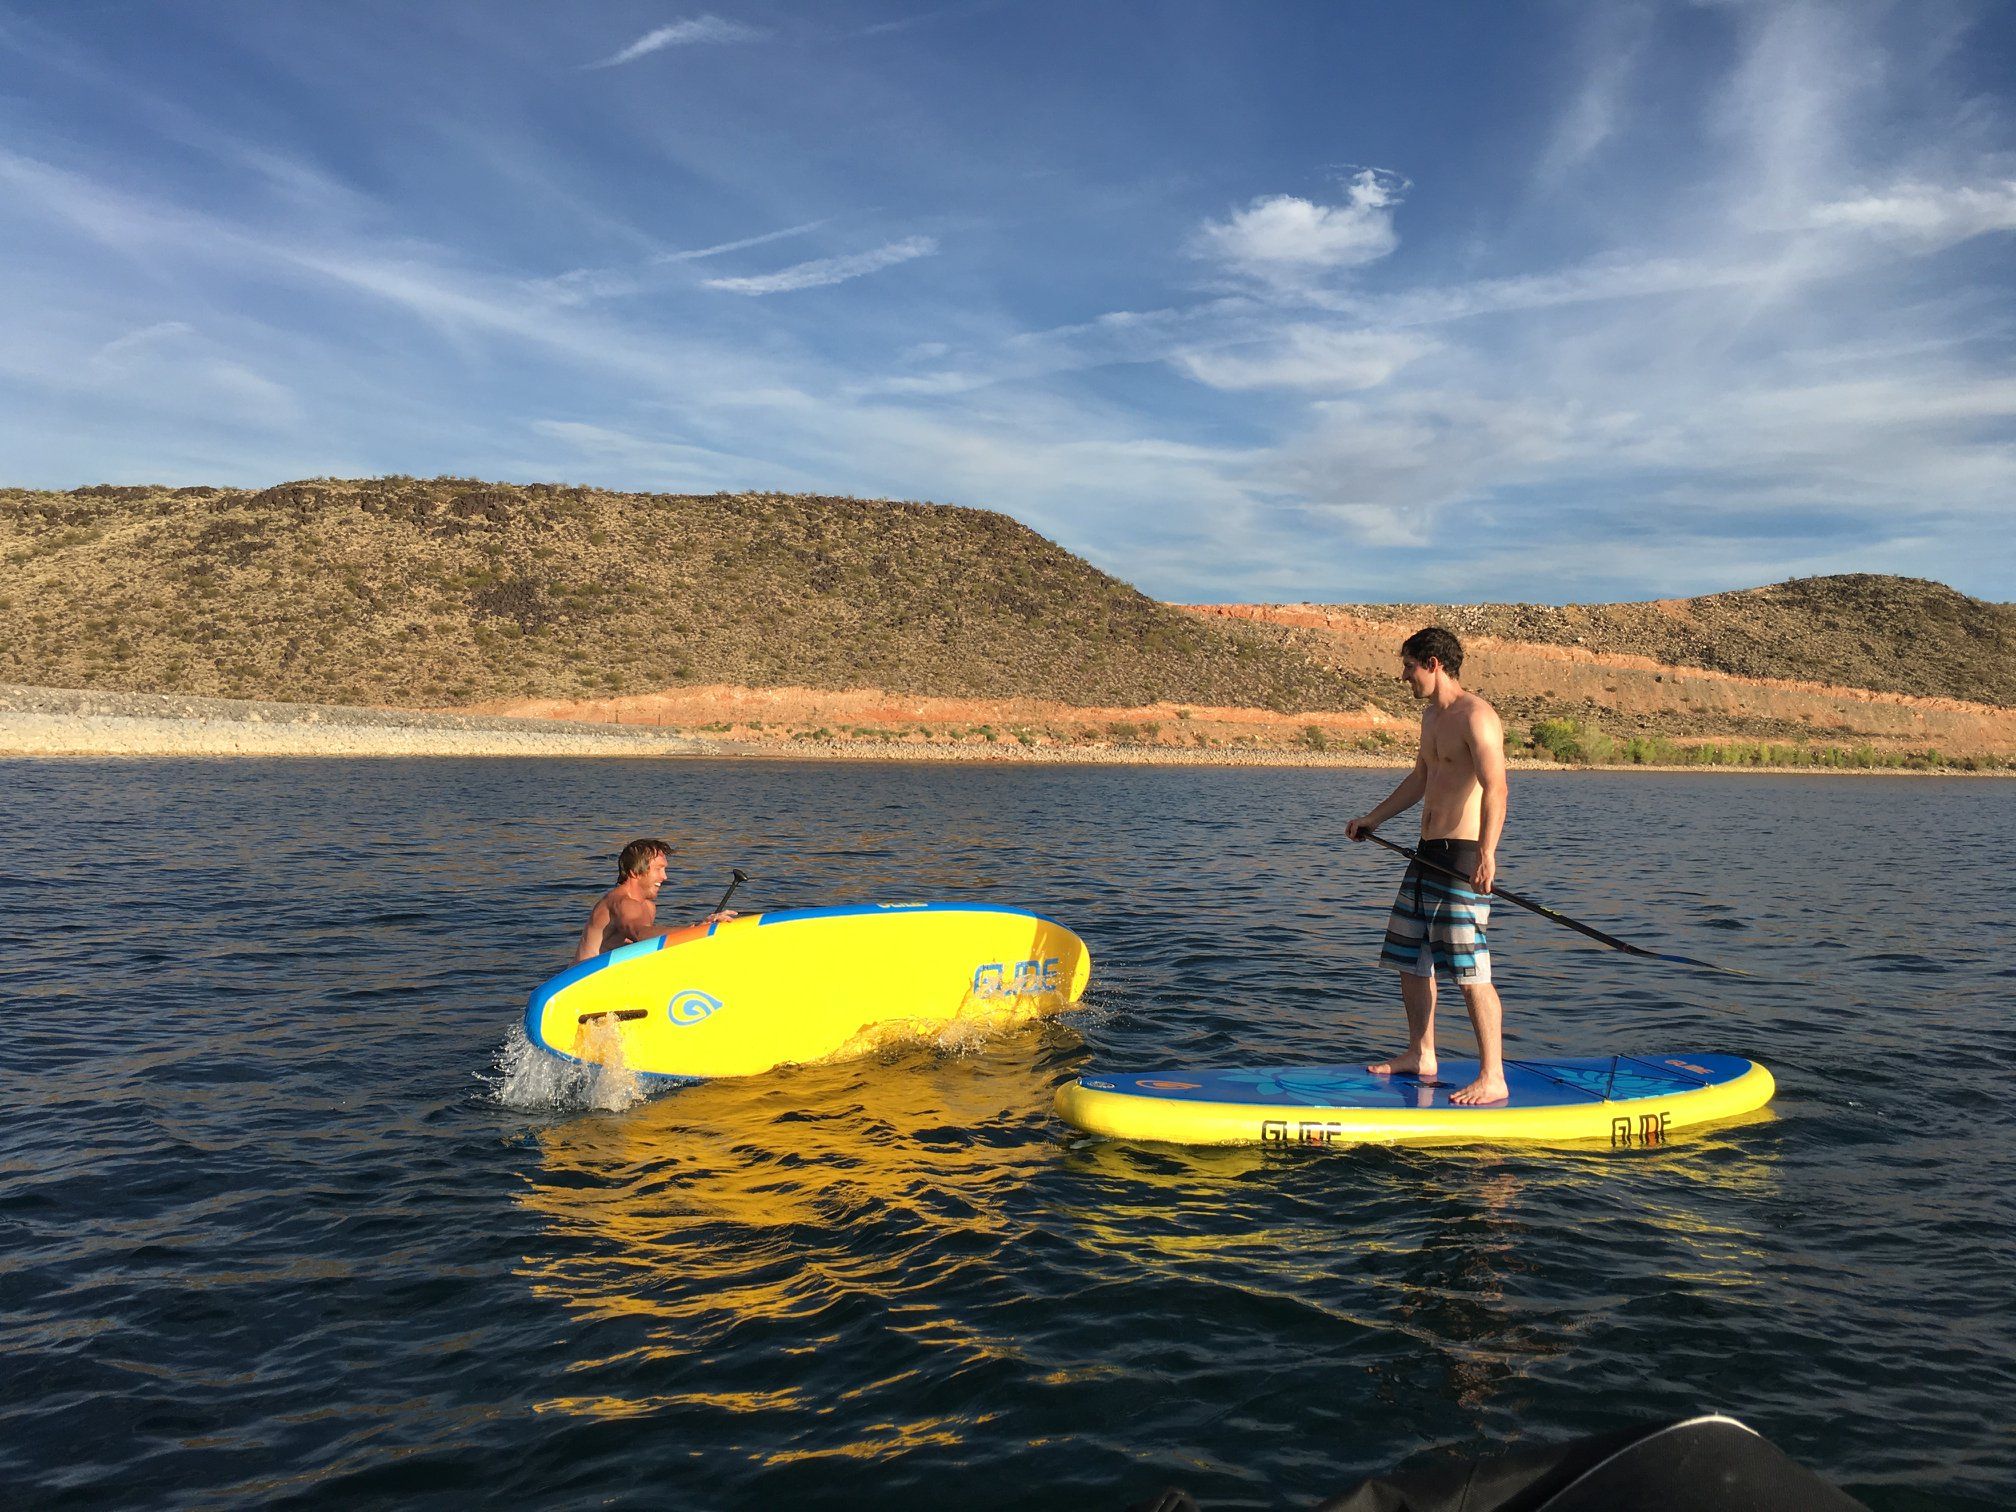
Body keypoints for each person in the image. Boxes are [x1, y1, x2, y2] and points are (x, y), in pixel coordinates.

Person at [1344, 626, 1510, 1105]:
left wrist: (1486, 853)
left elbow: (1496, 788)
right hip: (1424, 852)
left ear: (1434, 663)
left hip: (1462, 856)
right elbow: (1421, 778)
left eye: (1409, 666)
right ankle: (1422, 1053)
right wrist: (1373, 818)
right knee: (1410, 959)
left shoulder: (1476, 717)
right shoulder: (1430, 719)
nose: (1404, 676)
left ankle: (1493, 1075)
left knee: (1469, 966)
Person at [573, 838, 737, 963]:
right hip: (577, 988)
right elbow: (640, 933)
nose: (665, 877)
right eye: (659, 869)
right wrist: (695, 929)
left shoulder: (648, 906)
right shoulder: (622, 902)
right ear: (635, 872)